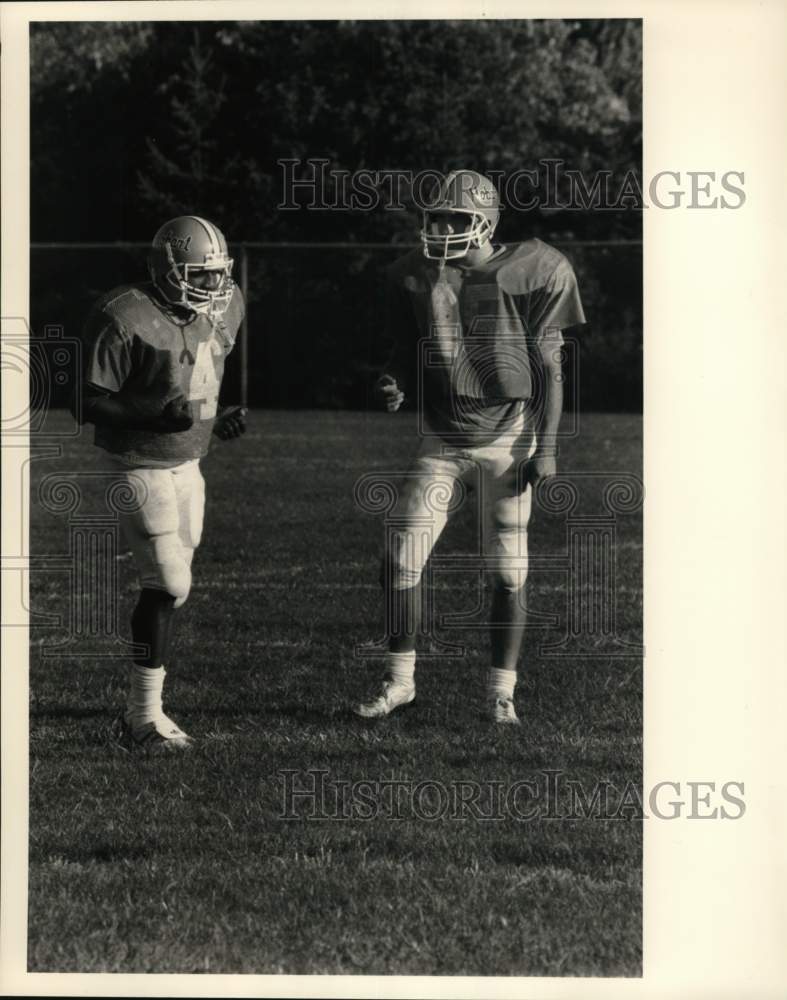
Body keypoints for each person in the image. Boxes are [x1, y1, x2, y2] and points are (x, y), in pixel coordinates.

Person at [354, 170, 585, 725]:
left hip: (509, 437)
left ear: (485, 221)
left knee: (508, 572)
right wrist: (397, 380)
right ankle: (400, 681)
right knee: (398, 562)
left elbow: (552, 369)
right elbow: (407, 346)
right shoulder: (411, 272)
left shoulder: (535, 268)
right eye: (435, 218)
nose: (440, 228)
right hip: (442, 436)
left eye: (454, 218)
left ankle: (501, 692)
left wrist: (547, 447)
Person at [75, 215, 247, 751]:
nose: (215, 286)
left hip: (188, 459)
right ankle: (142, 716)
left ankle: (140, 714)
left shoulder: (228, 304)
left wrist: (213, 421)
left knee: (175, 584)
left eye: (219, 274)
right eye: (201, 274)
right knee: (167, 583)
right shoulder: (123, 314)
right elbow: (83, 402)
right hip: (135, 460)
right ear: (168, 270)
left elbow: (197, 375)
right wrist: (151, 416)